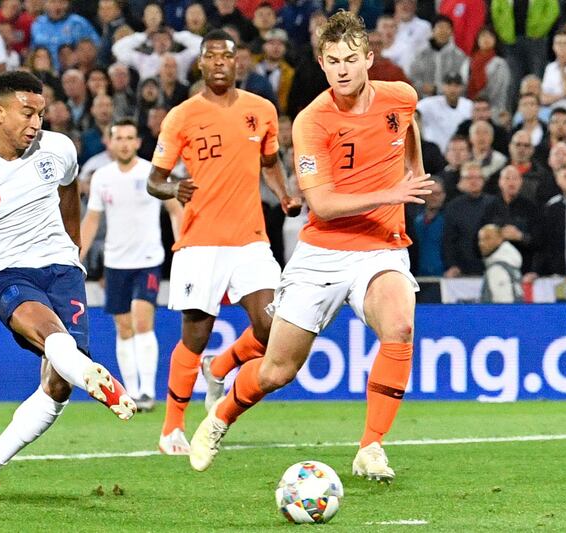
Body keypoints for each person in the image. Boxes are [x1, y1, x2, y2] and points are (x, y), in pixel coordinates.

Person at [187, 12, 433, 481]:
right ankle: (220, 418)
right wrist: (392, 193)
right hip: (323, 252)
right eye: (333, 60)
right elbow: (321, 202)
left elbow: (407, 124)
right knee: (278, 371)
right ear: (321, 62)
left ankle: (371, 447)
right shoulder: (311, 120)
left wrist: (412, 170)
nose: (342, 69)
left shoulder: (400, 96)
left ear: (369, 60)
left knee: (400, 327)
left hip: (381, 246)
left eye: (351, 60)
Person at [0, 71, 136, 513]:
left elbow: (69, 190)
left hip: (62, 270)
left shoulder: (58, 149)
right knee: (50, 333)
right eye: (27, 113)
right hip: (8, 273)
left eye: (40, 112)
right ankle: (103, 382)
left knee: (58, 386)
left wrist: (73, 245)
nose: (37, 122)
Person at [146, 29, 300, 455]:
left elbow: (270, 161)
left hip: (250, 239)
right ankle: (171, 428)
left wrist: (284, 194)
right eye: (210, 56)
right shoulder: (181, 116)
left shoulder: (262, 110)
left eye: (225, 56)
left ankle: (223, 366)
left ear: (238, 63)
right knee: (195, 334)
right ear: (200, 64)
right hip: (200, 242)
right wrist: (172, 188)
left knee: (273, 327)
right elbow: (154, 180)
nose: (218, 62)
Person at [79, 118, 183, 412]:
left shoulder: (152, 173)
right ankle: (133, 392)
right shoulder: (102, 177)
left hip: (148, 260)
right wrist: (78, 257)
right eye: (119, 138)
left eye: (129, 137)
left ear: (138, 142)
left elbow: (176, 209)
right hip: (116, 262)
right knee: (123, 328)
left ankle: (148, 392)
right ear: (110, 143)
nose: (124, 143)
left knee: (141, 320)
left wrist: (184, 244)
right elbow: (92, 220)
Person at [478, 223, 523, 303]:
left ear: (500, 239)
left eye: (487, 238)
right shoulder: (511, 265)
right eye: (480, 239)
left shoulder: (497, 269)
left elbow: (504, 307)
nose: (482, 243)